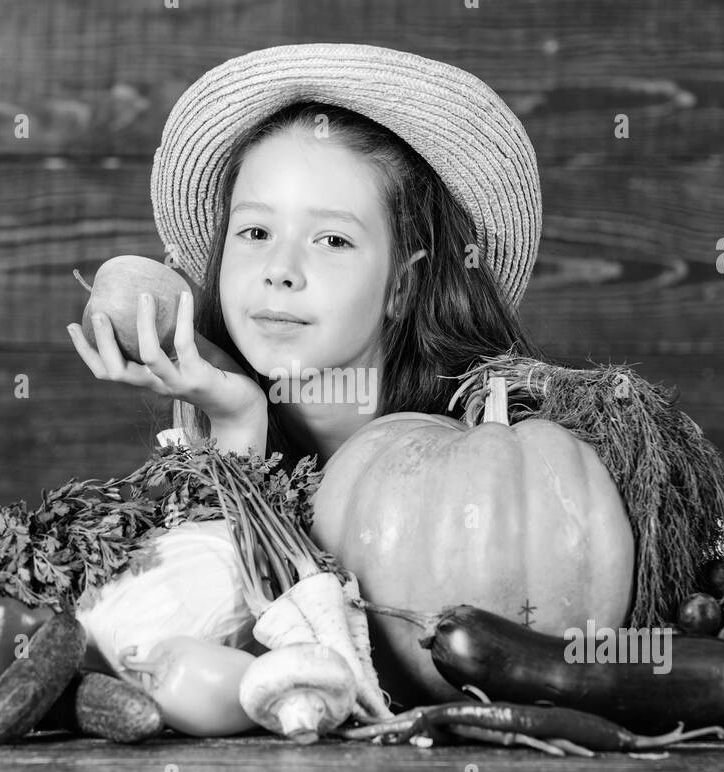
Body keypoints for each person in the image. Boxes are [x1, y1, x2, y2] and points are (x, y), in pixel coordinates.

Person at [68, 43, 543, 473]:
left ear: (402, 286)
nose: (280, 271)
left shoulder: (490, 462)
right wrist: (236, 418)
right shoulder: (200, 424)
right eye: (256, 231)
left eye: (333, 240)